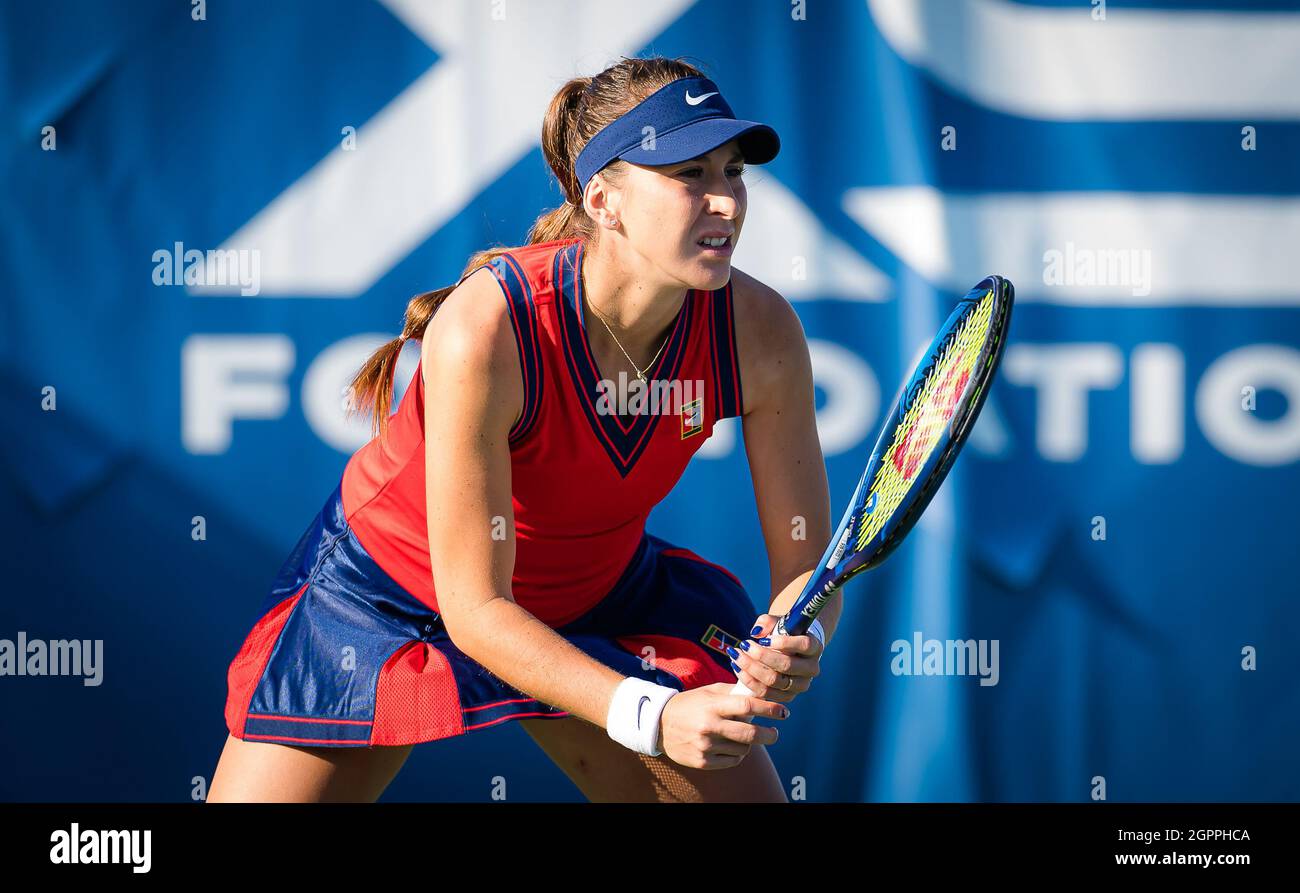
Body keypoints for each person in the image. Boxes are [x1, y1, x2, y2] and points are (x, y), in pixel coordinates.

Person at [208, 55, 837, 803]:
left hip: (598, 593)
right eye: (689, 174)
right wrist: (653, 713)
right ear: (604, 200)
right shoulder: (486, 330)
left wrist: (801, 635)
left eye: (733, 171)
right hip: (393, 596)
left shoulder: (759, 332)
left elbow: (808, 565)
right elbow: (475, 608)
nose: (727, 202)